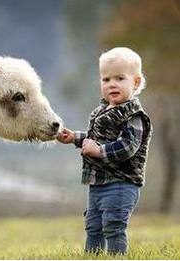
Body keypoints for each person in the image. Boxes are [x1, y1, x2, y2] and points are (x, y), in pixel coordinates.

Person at [57, 47, 152, 255]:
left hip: (121, 183)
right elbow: (96, 140)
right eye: (106, 79)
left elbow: (128, 147)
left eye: (120, 78)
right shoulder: (102, 111)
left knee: (113, 227)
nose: (112, 84)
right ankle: (93, 257)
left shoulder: (133, 115)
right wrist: (75, 138)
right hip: (97, 182)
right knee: (93, 226)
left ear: (135, 83)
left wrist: (99, 151)